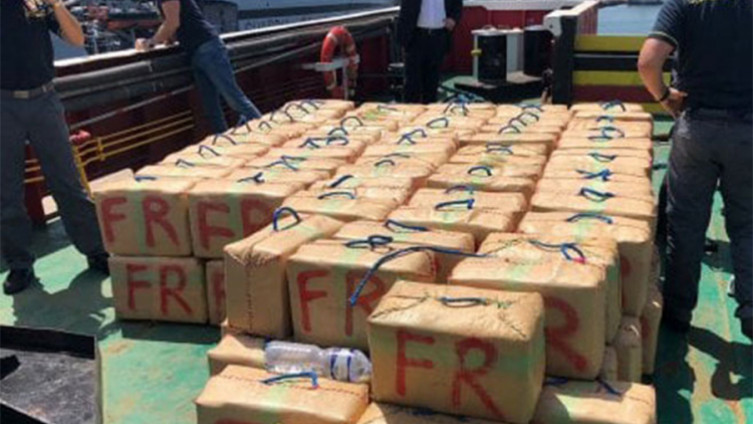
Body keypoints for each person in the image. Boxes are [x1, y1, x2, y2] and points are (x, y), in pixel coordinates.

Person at [638, 0, 752, 339]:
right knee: (747, 225)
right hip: (748, 132)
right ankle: (750, 308)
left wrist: (664, 96)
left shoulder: (683, 5)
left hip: (696, 130)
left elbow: (648, 62)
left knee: (685, 225)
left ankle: (677, 313)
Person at [1, 0, 110, 295]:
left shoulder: (38, 4)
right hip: (3, 103)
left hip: (44, 99)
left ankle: (96, 250)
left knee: (67, 180)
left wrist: (57, 5)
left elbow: (77, 39)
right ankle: (19, 264)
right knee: (6, 191)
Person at [135, 0, 261, 134]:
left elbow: (173, 23)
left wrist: (150, 42)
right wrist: (168, 38)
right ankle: (224, 139)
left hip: (207, 49)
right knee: (211, 107)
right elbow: (178, 21)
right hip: (197, 51)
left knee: (234, 99)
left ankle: (262, 130)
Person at [398, 0, 463, 104]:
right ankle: (410, 111)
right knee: (412, 81)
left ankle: (429, 110)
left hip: (439, 36)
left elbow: (457, 4)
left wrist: (453, 19)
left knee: (432, 81)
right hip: (415, 36)